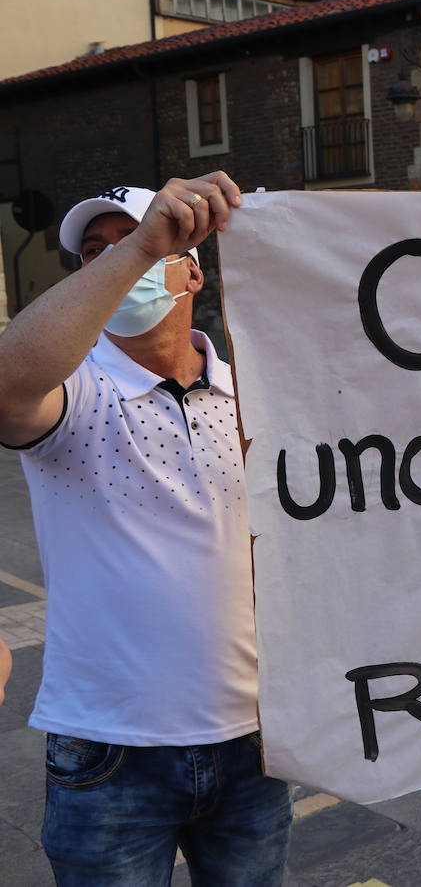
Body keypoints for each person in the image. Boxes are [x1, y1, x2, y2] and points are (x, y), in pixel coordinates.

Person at [0, 173, 291, 884]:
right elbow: (6, 386)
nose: (109, 258)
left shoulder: (255, 392)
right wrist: (135, 255)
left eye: (129, 240)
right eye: (92, 253)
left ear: (192, 268)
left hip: (255, 738)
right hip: (111, 751)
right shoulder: (74, 392)